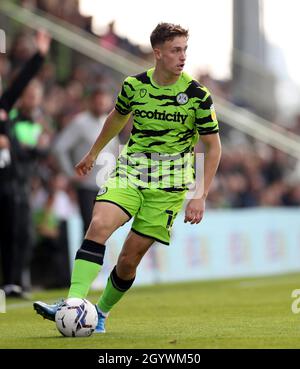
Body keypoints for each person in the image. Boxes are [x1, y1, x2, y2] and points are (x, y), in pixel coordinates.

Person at [33, 23, 221, 333]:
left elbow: (213, 148)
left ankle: (101, 312)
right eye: (176, 50)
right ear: (157, 53)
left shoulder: (196, 95)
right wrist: (94, 153)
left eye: (185, 49)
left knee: (128, 261)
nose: (182, 56)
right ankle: (72, 304)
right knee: (98, 225)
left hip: (169, 187)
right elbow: (117, 116)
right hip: (131, 171)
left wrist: (199, 194)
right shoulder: (134, 85)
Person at [0, 30, 51, 297]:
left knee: (17, 233)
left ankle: (13, 283)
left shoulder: (5, 103)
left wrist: (40, 55)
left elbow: (21, 82)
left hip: (12, 181)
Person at [53, 85, 119, 233]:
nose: (101, 103)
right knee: (90, 227)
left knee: (103, 229)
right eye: (97, 100)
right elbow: (60, 148)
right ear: (91, 101)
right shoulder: (80, 123)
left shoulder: (110, 123)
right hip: (87, 185)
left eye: (104, 100)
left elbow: (114, 153)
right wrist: (70, 174)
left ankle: (96, 257)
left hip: (106, 187)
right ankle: (85, 256)